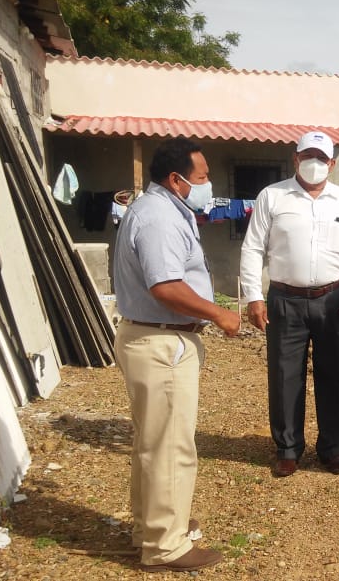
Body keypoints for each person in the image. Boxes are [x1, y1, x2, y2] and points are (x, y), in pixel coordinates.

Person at [113, 136, 240, 572]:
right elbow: (165, 286)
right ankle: (166, 545)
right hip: (162, 342)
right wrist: (219, 314)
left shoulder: (159, 210)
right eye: (201, 177)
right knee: (170, 446)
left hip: (156, 338)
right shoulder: (159, 218)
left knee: (153, 442)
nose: (207, 185)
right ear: (176, 179)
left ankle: (152, 527)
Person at [240, 131, 339, 479]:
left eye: (321, 157)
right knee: (285, 376)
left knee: (337, 375)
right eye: (307, 156)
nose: (314, 163)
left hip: (335, 299)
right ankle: (288, 449)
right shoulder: (272, 196)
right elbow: (252, 247)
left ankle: (332, 449)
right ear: (295, 159)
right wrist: (253, 296)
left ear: (332, 163)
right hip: (285, 299)